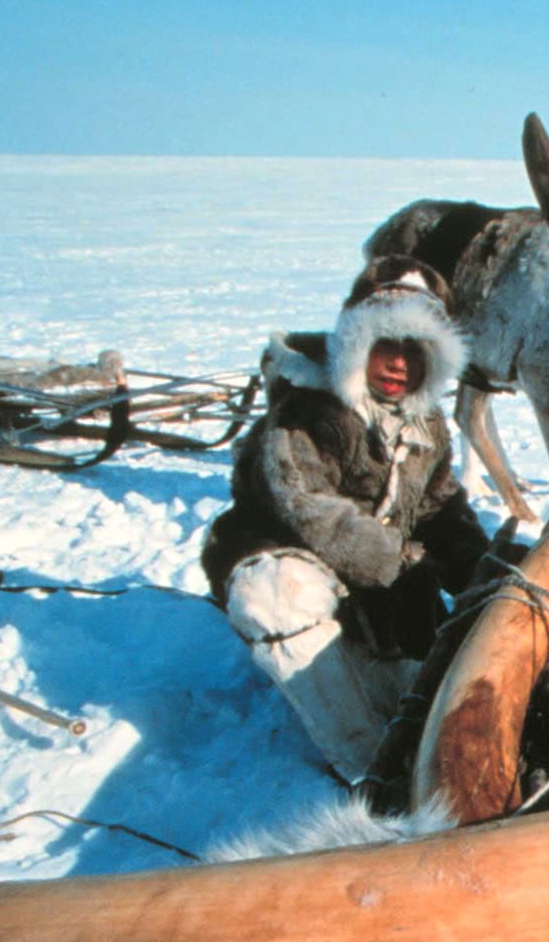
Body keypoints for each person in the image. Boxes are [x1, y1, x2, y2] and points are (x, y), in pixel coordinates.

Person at [201, 255, 490, 783]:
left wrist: (483, 568)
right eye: (386, 344)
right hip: (287, 556)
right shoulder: (306, 409)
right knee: (278, 594)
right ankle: (366, 769)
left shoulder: (425, 426)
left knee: (407, 699)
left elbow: (438, 509)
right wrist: (396, 560)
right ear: (357, 345)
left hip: (381, 586)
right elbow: (304, 503)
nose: (399, 363)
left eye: (415, 350)